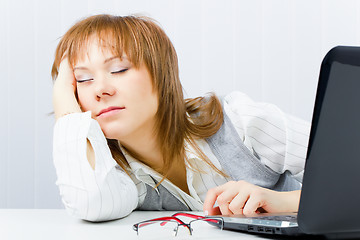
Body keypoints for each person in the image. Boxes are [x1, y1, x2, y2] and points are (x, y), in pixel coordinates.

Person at [51, 14, 310, 222]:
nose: (100, 89)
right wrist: (65, 108)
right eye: (83, 79)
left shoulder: (243, 124)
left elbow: (349, 170)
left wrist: (282, 203)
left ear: (161, 76)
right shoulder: (116, 174)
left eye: (118, 69)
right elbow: (93, 205)